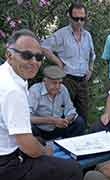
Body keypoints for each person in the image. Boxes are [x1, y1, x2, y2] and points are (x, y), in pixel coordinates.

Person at [0, 29, 82, 180]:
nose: (34, 61)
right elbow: (26, 144)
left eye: (39, 57)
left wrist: (66, 119)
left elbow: (71, 109)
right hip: (7, 163)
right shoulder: (14, 90)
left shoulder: (6, 75)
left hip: (12, 144)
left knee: (76, 123)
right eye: (26, 55)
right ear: (9, 55)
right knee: (73, 169)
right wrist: (44, 152)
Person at [41, 2, 96, 123]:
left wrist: (90, 69)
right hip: (67, 79)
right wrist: (58, 62)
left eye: (82, 18)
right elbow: (44, 47)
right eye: (76, 19)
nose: (79, 22)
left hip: (82, 81)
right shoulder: (61, 34)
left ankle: (80, 139)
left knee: (83, 115)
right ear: (70, 17)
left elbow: (92, 54)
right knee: (64, 115)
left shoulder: (87, 35)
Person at [28, 65, 86, 141]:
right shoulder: (35, 91)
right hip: (39, 129)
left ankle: (70, 146)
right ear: (45, 81)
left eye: (60, 83)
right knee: (30, 128)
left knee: (79, 122)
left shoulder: (63, 89)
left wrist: (66, 120)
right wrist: (51, 120)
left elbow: (70, 110)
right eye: (54, 83)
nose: (58, 86)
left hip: (58, 128)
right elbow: (28, 117)